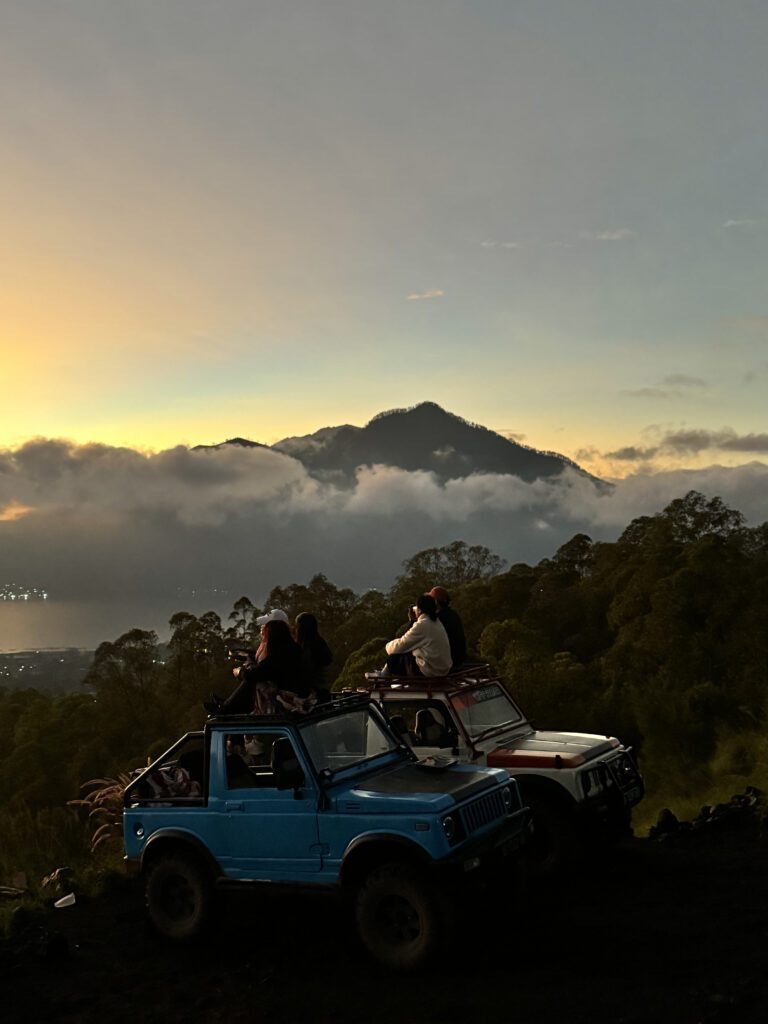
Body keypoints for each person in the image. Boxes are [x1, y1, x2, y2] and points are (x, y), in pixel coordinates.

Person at [208, 619, 309, 714]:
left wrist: (240, 672)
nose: (263, 639)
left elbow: (254, 674)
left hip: (287, 697)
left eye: (265, 636)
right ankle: (227, 704)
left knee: (255, 682)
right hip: (298, 692)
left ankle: (226, 709)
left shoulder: (278, 655)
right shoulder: (293, 649)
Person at [384, 593, 451, 677]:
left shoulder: (422, 624)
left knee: (394, 658)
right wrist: (413, 620)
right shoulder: (437, 622)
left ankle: (383, 676)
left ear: (419, 610)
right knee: (409, 650)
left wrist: (387, 646)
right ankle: (384, 674)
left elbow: (400, 645)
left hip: (430, 671)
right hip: (442, 669)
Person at [294, 612, 333, 702]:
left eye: (297, 626)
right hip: (322, 692)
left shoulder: (309, 647)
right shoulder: (320, 643)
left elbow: (306, 672)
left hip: (314, 695)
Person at [427, 586, 467, 670]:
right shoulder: (453, 615)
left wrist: (414, 621)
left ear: (435, 603)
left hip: (446, 664)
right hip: (458, 662)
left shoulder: (437, 620)